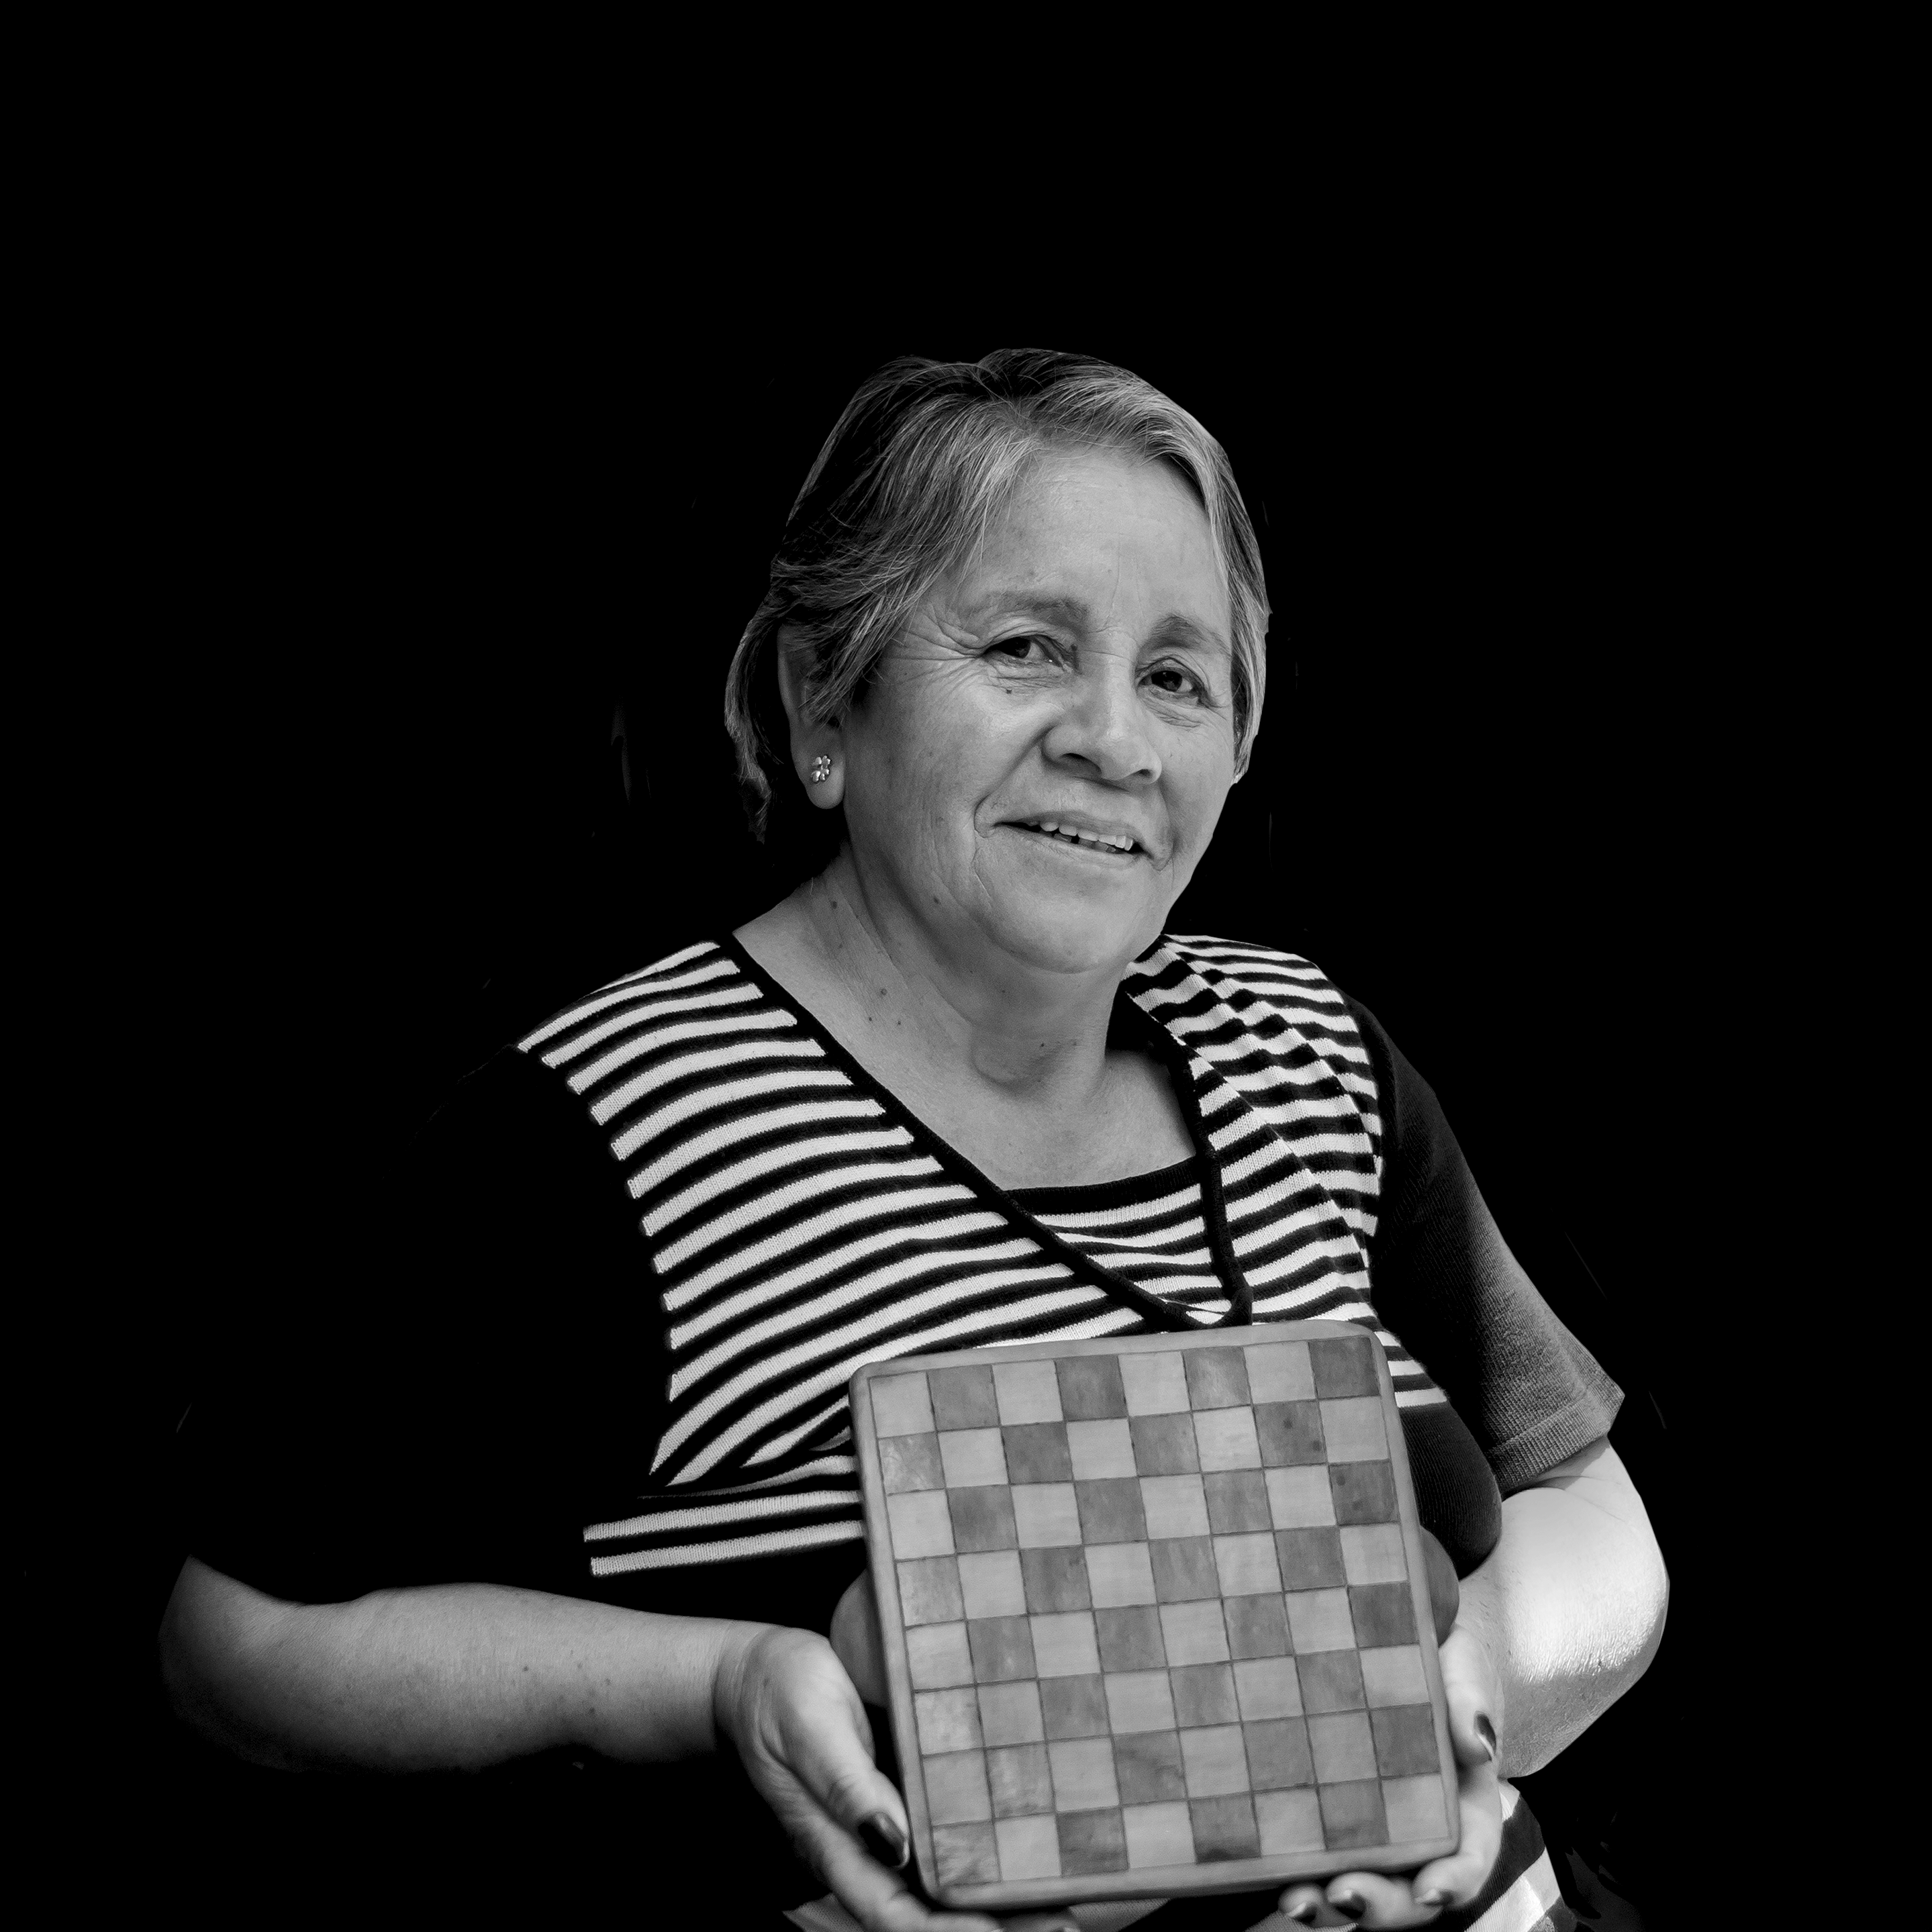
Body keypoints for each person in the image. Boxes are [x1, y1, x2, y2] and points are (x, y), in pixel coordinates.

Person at [160, 349, 1668, 1931]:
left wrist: (1453, 1698)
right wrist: (717, 1683)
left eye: (1178, 674)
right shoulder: (608, 1131)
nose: (1113, 738)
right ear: (825, 701)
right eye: (1026, 646)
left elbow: (1591, 1508)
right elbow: (231, 1644)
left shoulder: (1309, 1050)